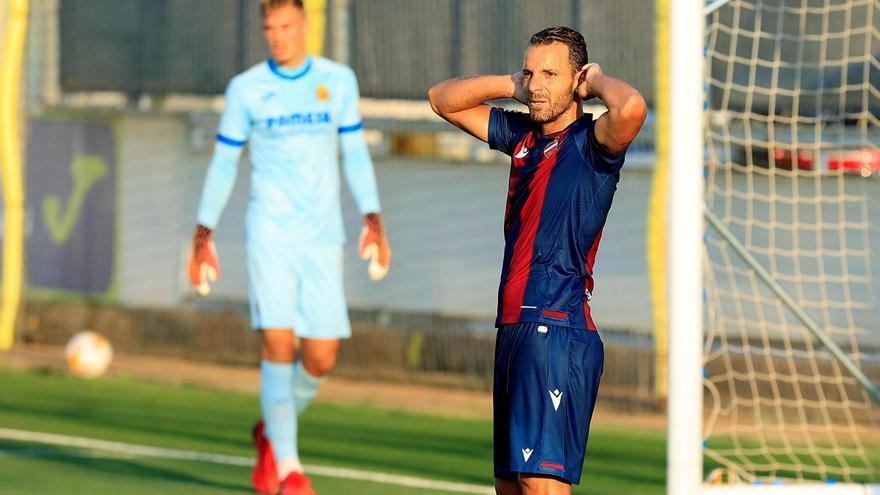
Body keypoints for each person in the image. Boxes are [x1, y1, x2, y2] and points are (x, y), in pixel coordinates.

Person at [428, 26, 646, 495]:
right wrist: (512, 83)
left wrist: (596, 82)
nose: (539, 84)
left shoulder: (593, 145)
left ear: (576, 81)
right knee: (509, 487)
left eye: (551, 73)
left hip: (557, 328)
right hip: (513, 329)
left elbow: (631, 108)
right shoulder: (521, 136)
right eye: (532, 72)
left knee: (540, 486)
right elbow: (441, 99)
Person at [187, 1, 391, 494]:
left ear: (304, 25)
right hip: (269, 234)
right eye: (269, 28)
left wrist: (374, 218)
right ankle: (290, 470)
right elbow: (223, 164)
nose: (277, 36)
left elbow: (355, 152)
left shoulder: (337, 80)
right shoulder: (246, 89)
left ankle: (271, 434)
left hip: (323, 237)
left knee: (320, 359)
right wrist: (202, 234)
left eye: (285, 26)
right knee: (278, 345)